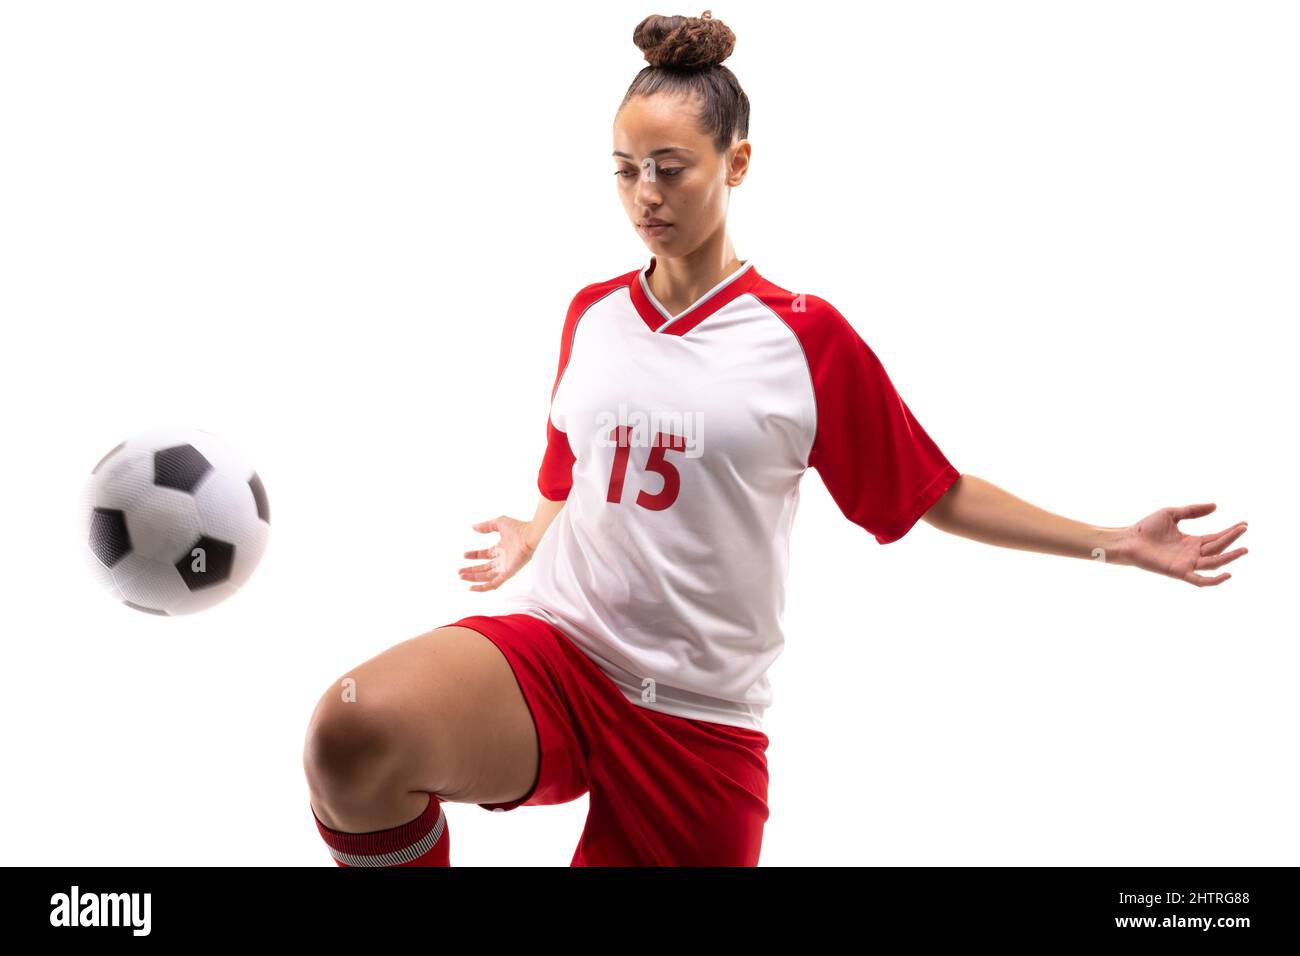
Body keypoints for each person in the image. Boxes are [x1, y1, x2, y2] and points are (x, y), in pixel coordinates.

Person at [302, 10, 1249, 867]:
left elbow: (935, 490)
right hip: (559, 653)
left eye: (671, 168)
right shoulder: (591, 313)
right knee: (352, 735)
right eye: (626, 171)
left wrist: (1114, 541)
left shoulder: (804, 337)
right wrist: (535, 528)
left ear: (737, 164)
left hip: (697, 722)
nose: (645, 195)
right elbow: (574, 463)